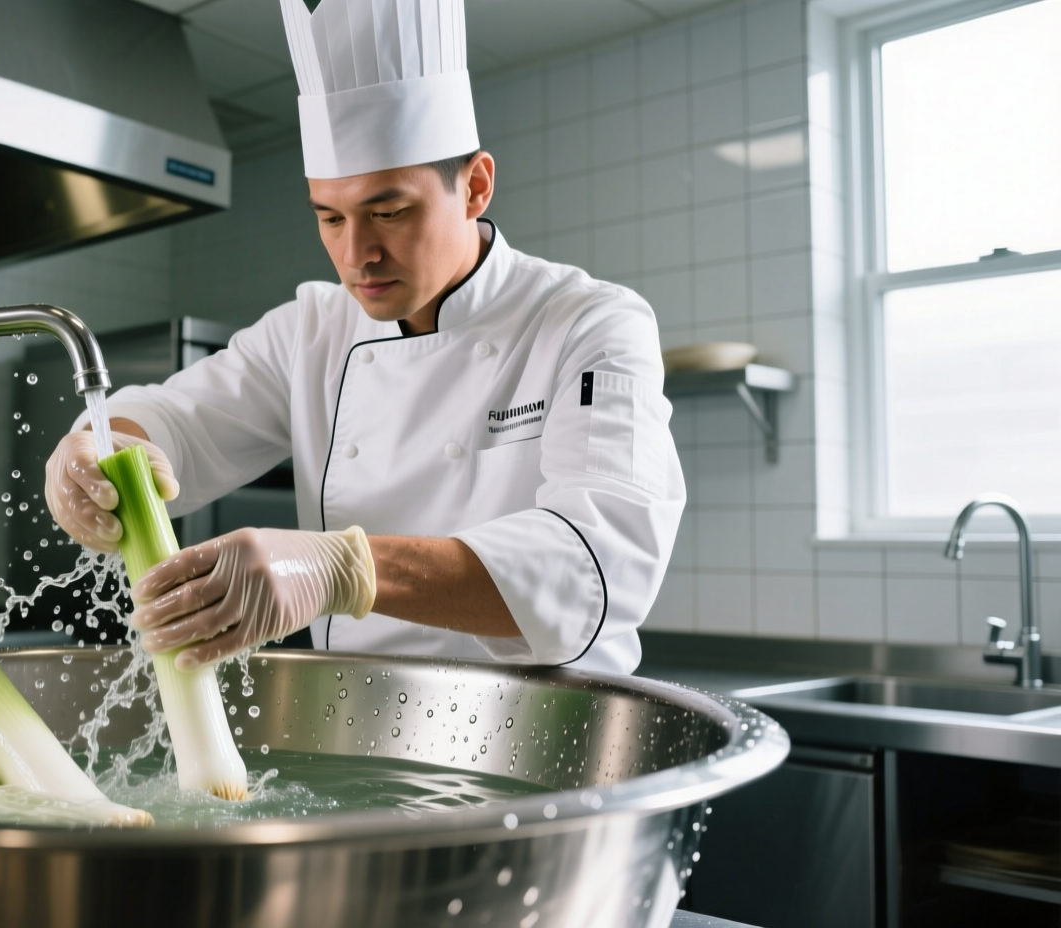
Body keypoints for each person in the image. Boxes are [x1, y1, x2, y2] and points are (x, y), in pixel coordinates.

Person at [44, 0, 684, 675]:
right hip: (364, 738)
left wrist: (340, 569)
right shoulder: (311, 330)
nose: (357, 255)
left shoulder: (590, 323)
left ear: (475, 187)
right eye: (329, 217)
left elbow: (597, 565)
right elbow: (178, 424)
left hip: (549, 740)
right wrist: (98, 451)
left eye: (389, 212)